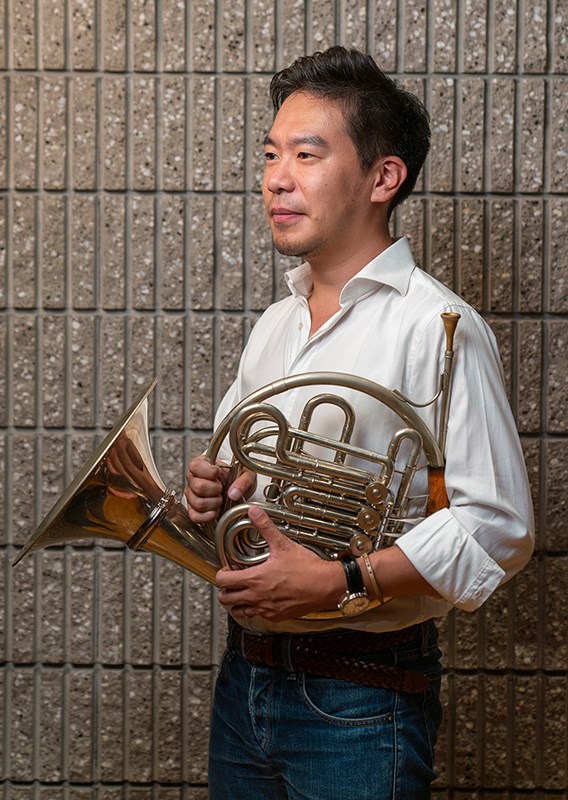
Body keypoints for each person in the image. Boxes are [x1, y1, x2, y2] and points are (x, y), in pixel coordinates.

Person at [184, 46, 534, 800]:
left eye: (307, 155)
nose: (276, 178)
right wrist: (217, 488)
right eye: (271, 154)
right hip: (244, 679)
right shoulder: (276, 323)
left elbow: (498, 526)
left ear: (383, 178)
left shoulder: (438, 327)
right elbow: (246, 462)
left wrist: (339, 579)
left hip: (361, 698)